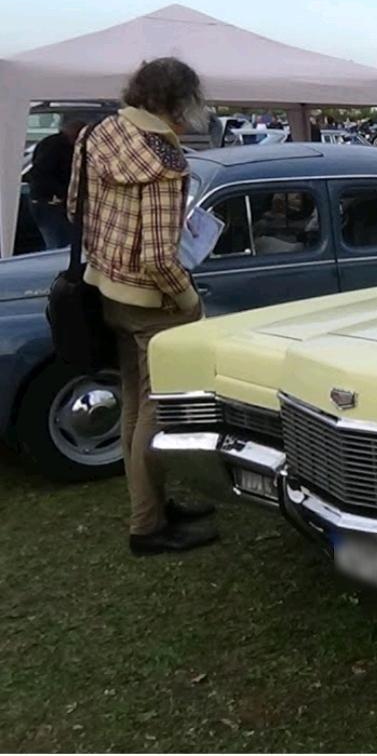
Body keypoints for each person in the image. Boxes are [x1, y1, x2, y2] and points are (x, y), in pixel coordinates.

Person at [69, 57, 218, 556]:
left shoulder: (97, 134)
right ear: (177, 103)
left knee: (135, 404)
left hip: (106, 287)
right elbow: (158, 257)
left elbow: (75, 207)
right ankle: (147, 526)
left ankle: (150, 507)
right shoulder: (164, 160)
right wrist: (189, 301)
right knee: (154, 413)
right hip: (150, 300)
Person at [26, 116, 86, 250]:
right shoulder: (57, 147)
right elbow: (42, 174)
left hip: (45, 200)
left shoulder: (49, 144)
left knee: (57, 242)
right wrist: (64, 193)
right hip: (50, 202)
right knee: (60, 243)